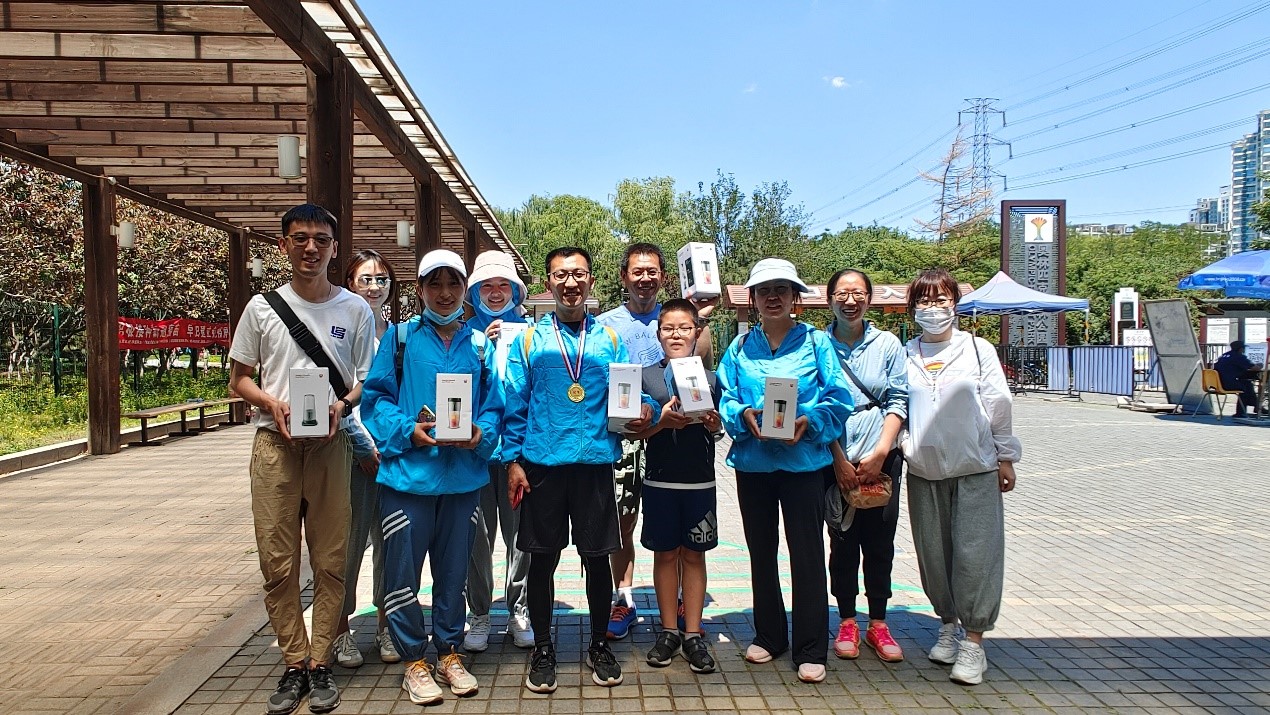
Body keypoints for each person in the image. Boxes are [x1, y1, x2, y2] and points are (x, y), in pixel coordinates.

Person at [228, 203, 376, 715]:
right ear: (284, 245)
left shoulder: (354, 310)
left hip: (331, 445)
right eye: (300, 238)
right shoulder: (261, 308)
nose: (310, 248)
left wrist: (342, 406)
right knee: (277, 561)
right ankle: (293, 661)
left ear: (334, 248)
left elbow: (365, 379)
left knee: (332, 557)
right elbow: (239, 378)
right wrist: (271, 403)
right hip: (276, 446)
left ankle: (320, 661)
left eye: (321, 239)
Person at [502, 246, 658, 693]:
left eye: (578, 275)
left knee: (597, 559)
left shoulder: (609, 339)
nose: (570, 283)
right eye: (561, 275)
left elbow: (631, 390)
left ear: (590, 281)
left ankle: (599, 646)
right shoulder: (529, 340)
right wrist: (512, 461)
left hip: (594, 464)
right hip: (543, 466)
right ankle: (543, 647)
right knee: (542, 560)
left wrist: (645, 407)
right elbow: (514, 402)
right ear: (547, 283)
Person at [361, 250, 502, 705]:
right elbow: (376, 400)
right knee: (402, 573)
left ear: (465, 290)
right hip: (408, 480)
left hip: (462, 481)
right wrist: (408, 431)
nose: (444, 294)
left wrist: (480, 434)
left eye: (453, 284)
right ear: (420, 289)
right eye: (434, 284)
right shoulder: (401, 339)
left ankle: (448, 652)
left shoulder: (478, 344)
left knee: (454, 572)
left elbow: (494, 406)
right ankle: (412, 661)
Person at [717, 257, 853, 683]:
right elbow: (725, 397)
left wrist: (809, 421)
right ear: (753, 299)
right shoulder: (740, 347)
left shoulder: (816, 343)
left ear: (796, 297)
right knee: (761, 551)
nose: (772, 297)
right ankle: (770, 635)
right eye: (764, 290)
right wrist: (743, 415)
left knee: (807, 554)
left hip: (803, 465)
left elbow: (839, 397)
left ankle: (811, 647)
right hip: (754, 466)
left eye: (781, 289)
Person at [901, 267, 1021, 686]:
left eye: (940, 300)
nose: (932, 308)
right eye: (924, 301)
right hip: (924, 470)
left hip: (975, 468)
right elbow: (897, 405)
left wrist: (1005, 456)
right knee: (934, 555)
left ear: (954, 304)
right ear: (913, 308)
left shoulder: (976, 349)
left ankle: (974, 641)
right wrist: (905, 444)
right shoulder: (906, 353)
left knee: (976, 555)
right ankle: (948, 625)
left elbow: (998, 402)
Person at [596, 242, 717, 639]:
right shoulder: (606, 323)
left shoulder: (679, 318)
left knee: (678, 527)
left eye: (652, 272)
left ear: (664, 277)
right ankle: (623, 598)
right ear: (624, 276)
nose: (645, 278)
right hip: (627, 432)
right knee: (623, 519)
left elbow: (703, 370)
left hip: (676, 433)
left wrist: (701, 322)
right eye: (637, 271)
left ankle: (682, 600)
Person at [628, 299, 722, 674]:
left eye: (684, 328)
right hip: (659, 481)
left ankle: (693, 633)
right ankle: (668, 630)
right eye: (668, 328)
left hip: (700, 481)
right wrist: (662, 423)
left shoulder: (710, 378)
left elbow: (719, 428)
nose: (676, 334)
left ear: (697, 331)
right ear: (658, 333)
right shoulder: (646, 376)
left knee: (694, 555)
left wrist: (714, 424)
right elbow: (635, 432)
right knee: (665, 554)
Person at [822, 269, 909, 664]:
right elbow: (815, 402)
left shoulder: (887, 343)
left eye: (858, 293)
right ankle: (846, 620)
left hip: (882, 457)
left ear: (869, 299)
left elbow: (898, 399)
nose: (850, 300)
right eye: (842, 293)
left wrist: (880, 453)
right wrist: (839, 459)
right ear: (830, 300)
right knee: (841, 541)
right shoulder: (819, 344)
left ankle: (878, 622)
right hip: (834, 458)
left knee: (879, 541)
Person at [461, 250, 535, 651]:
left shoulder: (533, 332)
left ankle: (519, 608)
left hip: (519, 454)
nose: (494, 292)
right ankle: (479, 612)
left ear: (514, 290)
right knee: (477, 536)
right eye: (486, 286)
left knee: (520, 535)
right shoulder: (461, 333)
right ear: (474, 291)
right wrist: (480, 352)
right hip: (475, 453)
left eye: (502, 285)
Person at [332, 250, 402, 669]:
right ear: (349, 283)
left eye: (381, 280)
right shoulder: (340, 331)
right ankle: (340, 629)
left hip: (393, 455)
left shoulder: (399, 335)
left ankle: (386, 625)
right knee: (349, 544)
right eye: (365, 279)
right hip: (353, 455)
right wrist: (361, 446)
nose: (374, 287)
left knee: (392, 546)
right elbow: (340, 396)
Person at [1215, 340, 1261, 418]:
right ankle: (1242, 412)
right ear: (1240, 349)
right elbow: (1255, 368)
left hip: (1217, 383)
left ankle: (1256, 407)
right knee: (1246, 387)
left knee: (1247, 384)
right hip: (1227, 384)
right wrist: (1260, 365)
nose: (1244, 350)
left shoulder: (1223, 356)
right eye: (1243, 348)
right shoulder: (1238, 357)